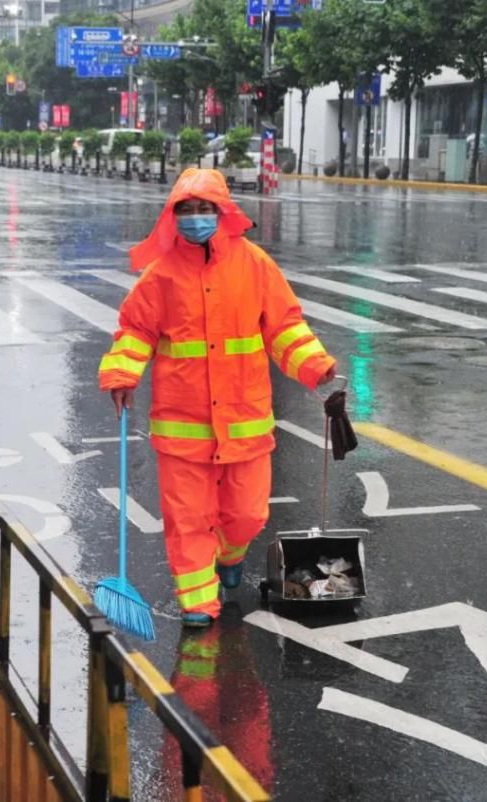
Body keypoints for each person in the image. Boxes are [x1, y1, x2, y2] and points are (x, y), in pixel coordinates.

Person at [97, 168, 337, 627]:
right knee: (188, 519)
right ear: (172, 216)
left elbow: (283, 325)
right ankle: (198, 604)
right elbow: (136, 330)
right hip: (181, 427)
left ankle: (230, 555)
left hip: (245, 423)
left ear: (222, 212)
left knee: (247, 514)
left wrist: (315, 365)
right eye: (185, 210)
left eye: (204, 209)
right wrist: (122, 373)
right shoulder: (161, 273)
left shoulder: (253, 264)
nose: (195, 218)